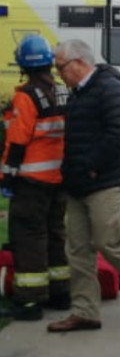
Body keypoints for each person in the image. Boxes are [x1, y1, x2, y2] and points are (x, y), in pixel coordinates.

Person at [47, 39, 120, 332]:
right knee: (77, 250)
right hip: (77, 183)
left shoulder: (108, 87)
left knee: (108, 242)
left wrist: (91, 165)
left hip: (105, 182)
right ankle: (85, 311)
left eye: (61, 67)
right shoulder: (77, 92)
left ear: (80, 63)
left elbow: (119, 132)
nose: (58, 73)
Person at [0, 35, 70, 322]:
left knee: (29, 237)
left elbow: (17, 140)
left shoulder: (26, 96)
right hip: (59, 178)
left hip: (31, 180)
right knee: (55, 233)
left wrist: (7, 177)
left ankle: (29, 302)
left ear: (22, 64)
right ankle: (61, 293)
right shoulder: (63, 91)